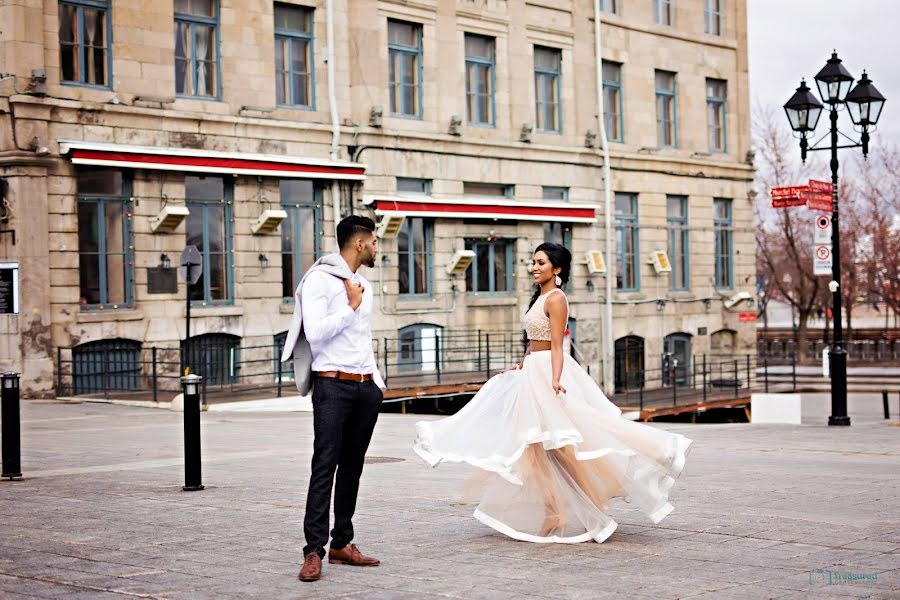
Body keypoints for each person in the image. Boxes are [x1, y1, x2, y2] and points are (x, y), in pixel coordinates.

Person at [414, 242, 692, 543]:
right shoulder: (540, 297)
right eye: (533, 262)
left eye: (541, 263)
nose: (534, 267)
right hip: (533, 369)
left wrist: (556, 378)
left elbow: (558, 344)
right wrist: (520, 364)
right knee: (535, 450)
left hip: (549, 372)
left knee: (562, 447)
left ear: (556, 269)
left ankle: (593, 507)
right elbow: (535, 340)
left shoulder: (557, 298)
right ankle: (556, 511)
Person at [282, 215, 385, 582]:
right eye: (373, 241)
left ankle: (343, 542)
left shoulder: (363, 285)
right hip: (332, 387)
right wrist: (350, 307)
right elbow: (315, 332)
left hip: (364, 387)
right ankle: (313, 551)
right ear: (359, 243)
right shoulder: (319, 281)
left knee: (353, 467)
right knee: (324, 465)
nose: (377, 247)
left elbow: (363, 338)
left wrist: (376, 381)